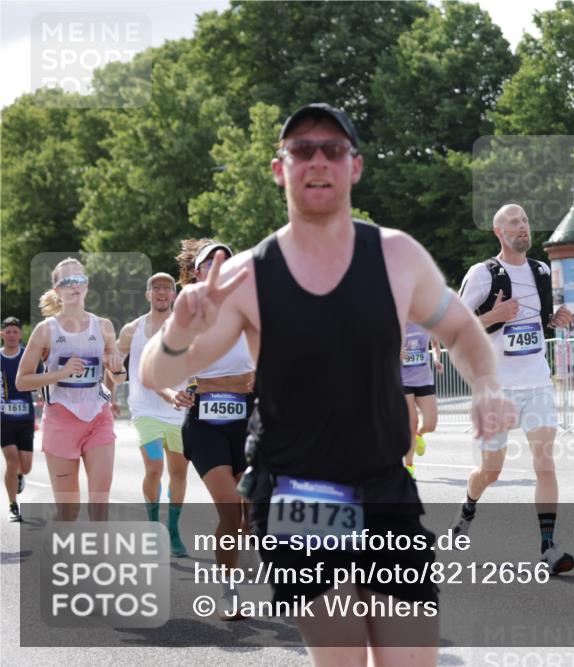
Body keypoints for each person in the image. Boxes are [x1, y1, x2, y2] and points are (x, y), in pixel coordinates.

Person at [141, 103, 510, 666]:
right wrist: (177, 330)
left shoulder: (395, 255)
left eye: (333, 149)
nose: (318, 161)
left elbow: (461, 326)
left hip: (383, 483)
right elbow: (157, 373)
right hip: (300, 492)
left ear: (355, 166)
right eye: (302, 150)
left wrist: (486, 383)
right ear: (278, 168)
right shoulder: (249, 274)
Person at [452, 203, 574, 574]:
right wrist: (494, 315)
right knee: (492, 470)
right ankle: (468, 508)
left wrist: (556, 319)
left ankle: (548, 547)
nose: (522, 227)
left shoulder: (541, 271)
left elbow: (536, 322)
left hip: (537, 380)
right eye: (513, 222)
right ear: (498, 232)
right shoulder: (483, 274)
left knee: (545, 463)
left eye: (524, 220)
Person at [175, 239, 255, 612]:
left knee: (252, 513)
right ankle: (228, 591)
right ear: (197, 272)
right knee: (229, 511)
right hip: (205, 422)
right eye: (212, 263)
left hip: (249, 417)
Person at [16, 258, 122, 521]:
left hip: (98, 417)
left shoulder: (104, 326)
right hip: (61, 421)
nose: (74, 285)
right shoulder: (45, 331)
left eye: (79, 279)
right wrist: (61, 373)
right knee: (69, 511)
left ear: (87, 285)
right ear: (57, 290)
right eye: (67, 281)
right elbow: (22, 380)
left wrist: (115, 367)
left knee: (99, 504)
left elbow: (119, 376)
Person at [115, 273, 190, 556]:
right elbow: (117, 368)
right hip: (144, 409)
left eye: (167, 288)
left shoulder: (185, 327)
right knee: (155, 467)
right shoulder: (132, 330)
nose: (161, 292)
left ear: (174, 295)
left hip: (180, 410)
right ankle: (152, 528)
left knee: (179, 472)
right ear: (147, 294)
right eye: (156, 288)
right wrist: (111, 390)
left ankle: (172, 530)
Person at [2, 316, 41, 522]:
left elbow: (42, 377)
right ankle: (12, 505)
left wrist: (43, 394)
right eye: (7, 331)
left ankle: (19, 476)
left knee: (25, 466)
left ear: (20, 335)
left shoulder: (28, 356)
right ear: (2, 334)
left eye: (15, 331)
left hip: (25, 418)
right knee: (11, 460)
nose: (11, 335)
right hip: (3, 420)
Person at [400, 323, 443, 478]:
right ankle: (409, 467)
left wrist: (437, 359)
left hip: (424, 379)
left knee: (431, 425)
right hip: (403, 381)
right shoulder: (398, 323)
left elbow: (435, 343)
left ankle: (420, 434)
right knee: (412, 423)